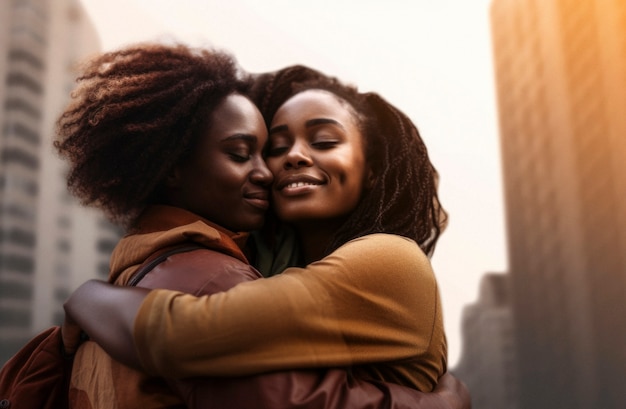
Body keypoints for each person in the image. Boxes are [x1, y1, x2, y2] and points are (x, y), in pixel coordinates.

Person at [57, 43, 467, 408]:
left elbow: (176, 336)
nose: (292, 157)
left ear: (373, 171)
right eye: (275, 146)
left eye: (323, 141)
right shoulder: (260, 264)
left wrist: (86, 296)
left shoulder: (389, 258)